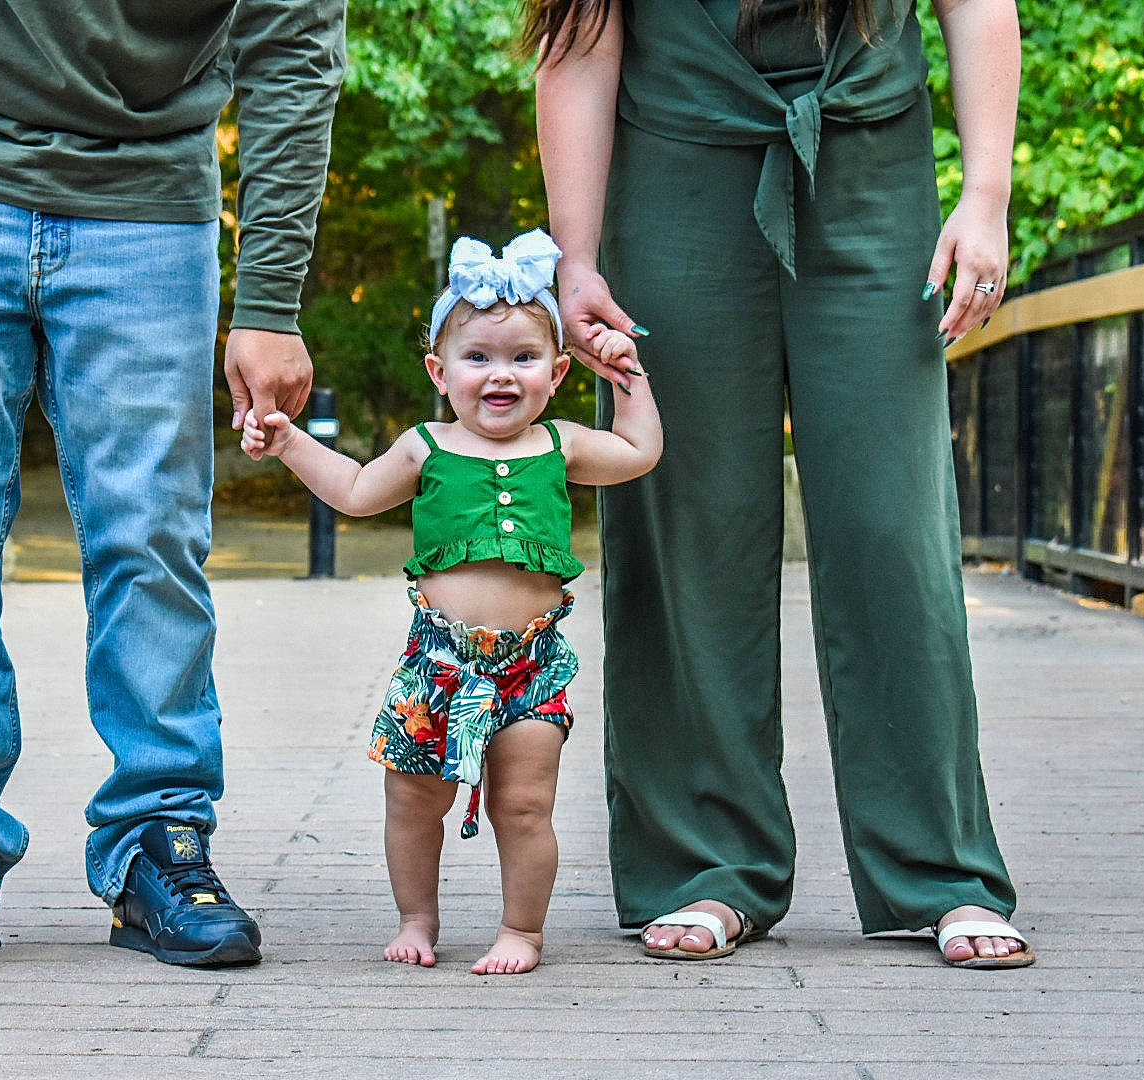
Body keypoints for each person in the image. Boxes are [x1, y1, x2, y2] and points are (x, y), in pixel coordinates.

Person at [0, 0, 346, 976]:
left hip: (149, 198)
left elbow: (296, 47)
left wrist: (270, 299)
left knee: (152, 540)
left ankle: (161, 842)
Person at [530, 0, 1035, 968]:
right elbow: (580, 41)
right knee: (687, 519)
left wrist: (987, 195)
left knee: (894, 528)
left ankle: (942, 874)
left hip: (873, 170)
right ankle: (705, 865)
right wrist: (576, 257)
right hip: (674, 172)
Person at [242, 229, 661, 973]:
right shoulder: (424, 446)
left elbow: (638, 454)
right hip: (437, 662)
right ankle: (417, 916)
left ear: (558, 372)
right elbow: (354, 491)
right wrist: (289, 443)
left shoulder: (559, 444)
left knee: (523, 805)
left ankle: (522, 931)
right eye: (479, 358)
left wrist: (631, 377)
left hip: (531, 665)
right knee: (412, 799)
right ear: (440, 371)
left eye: (523, 359)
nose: (501, 375)